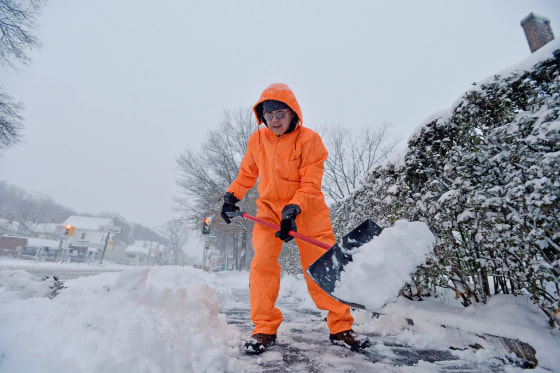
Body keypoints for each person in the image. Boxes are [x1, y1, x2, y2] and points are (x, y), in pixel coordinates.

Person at [220, 83, 370, 354]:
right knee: (263, 264)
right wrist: (232, 196)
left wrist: (294, 209)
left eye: (281, 113)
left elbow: (311, 184)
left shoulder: (309, 140)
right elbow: (247, 173)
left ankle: (341, 328)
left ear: (293, 114)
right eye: (270, 114)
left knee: (322, 267)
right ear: (262, 117)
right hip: (269, 211)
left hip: (308, 211)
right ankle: (264, 329)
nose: (275, 120)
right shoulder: (257, 140)